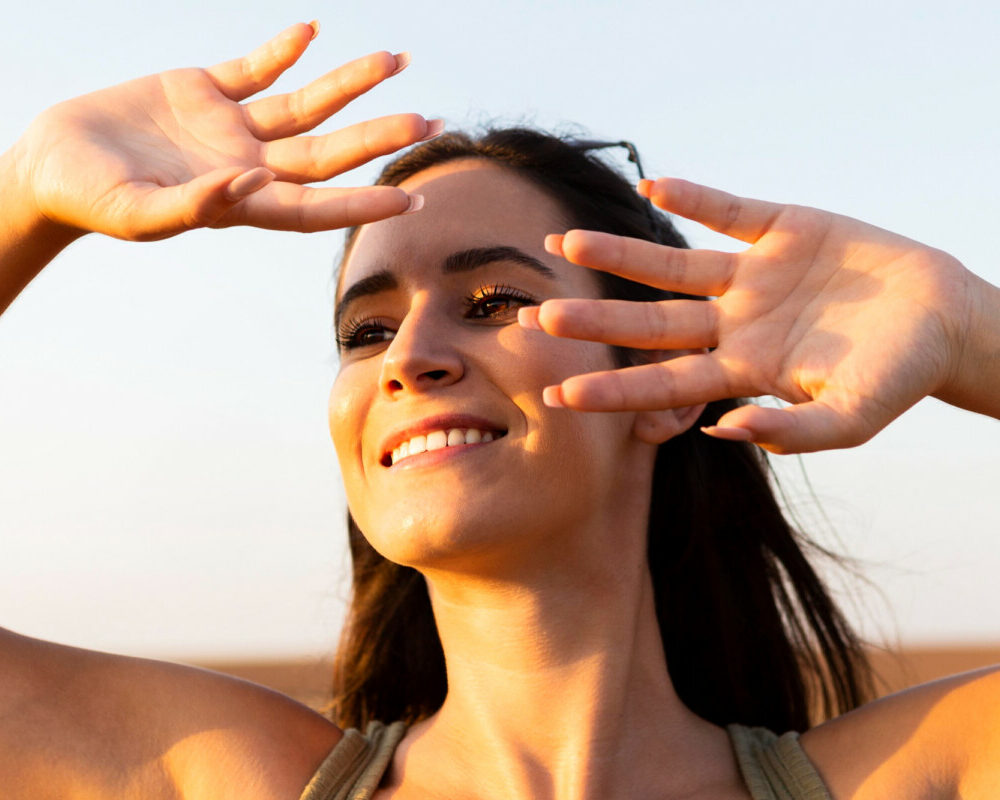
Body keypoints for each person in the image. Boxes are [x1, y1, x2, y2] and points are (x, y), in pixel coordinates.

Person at [1, 23, 997, 800]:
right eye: (365, 329)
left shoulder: (912, 773)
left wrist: (968, 330)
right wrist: (25, 194)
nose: (411, 356)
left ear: (666, 378)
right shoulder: (225, 773)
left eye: (493, 303)